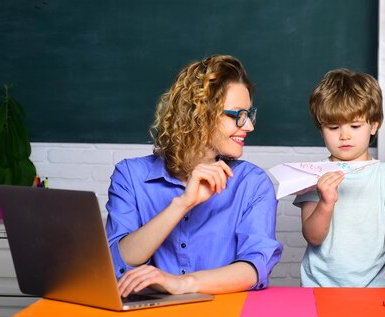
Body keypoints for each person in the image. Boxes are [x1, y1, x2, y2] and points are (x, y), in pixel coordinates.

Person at [105, 55, 282, 296]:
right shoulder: (130, 176)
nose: (249, 126)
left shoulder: (252, 183)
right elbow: (117, 261)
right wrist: (183, 204)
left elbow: (255, 268)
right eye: (238, 115)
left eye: (249, 114)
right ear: (199, 114)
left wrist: (183, 283)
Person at [293, 68, 385, 288]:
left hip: (373, 287)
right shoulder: (314, 173)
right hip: (319, 287)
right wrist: (325, 202)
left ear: (374, 126)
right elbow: (313, 236)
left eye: (355, 126)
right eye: (333, 127)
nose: (344, 135)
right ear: (321, 129)